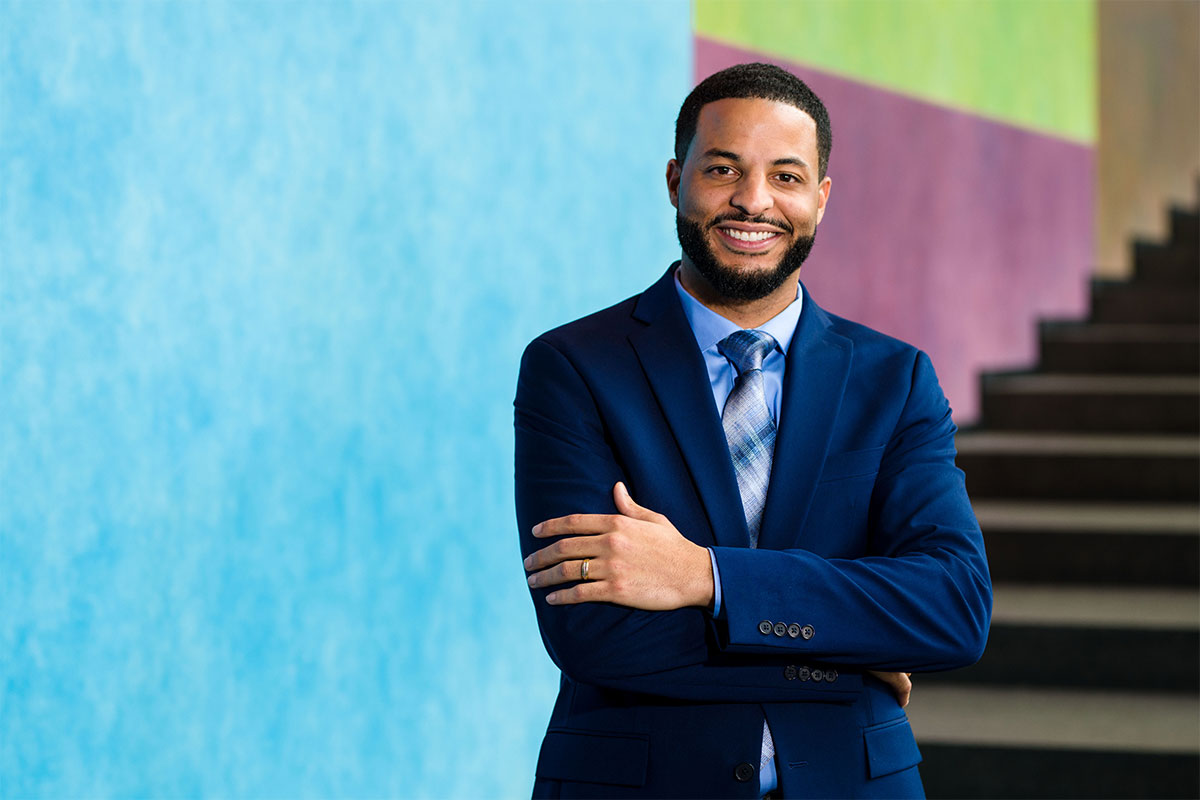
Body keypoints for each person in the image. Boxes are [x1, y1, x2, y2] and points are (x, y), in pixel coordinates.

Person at [514, 63, 991, 799]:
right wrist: (850, 652)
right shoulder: (574, 366)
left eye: (786, 176)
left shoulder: (895, 380)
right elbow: (596, 635)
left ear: (820, 198)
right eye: (723, 169)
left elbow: (952, 607)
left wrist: (706, 578)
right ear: (675, 180)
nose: (754, 200)